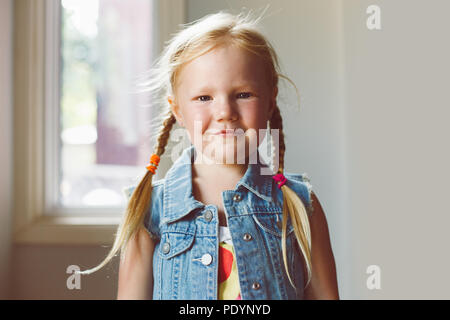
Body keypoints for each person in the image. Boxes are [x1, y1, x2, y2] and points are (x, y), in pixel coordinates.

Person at [78, 10, 339, 300]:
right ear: (177, 110)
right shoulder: (149, 212)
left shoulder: (302, 206)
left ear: (269, 100)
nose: (225, 112)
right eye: (204, 98)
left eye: (243, 94)